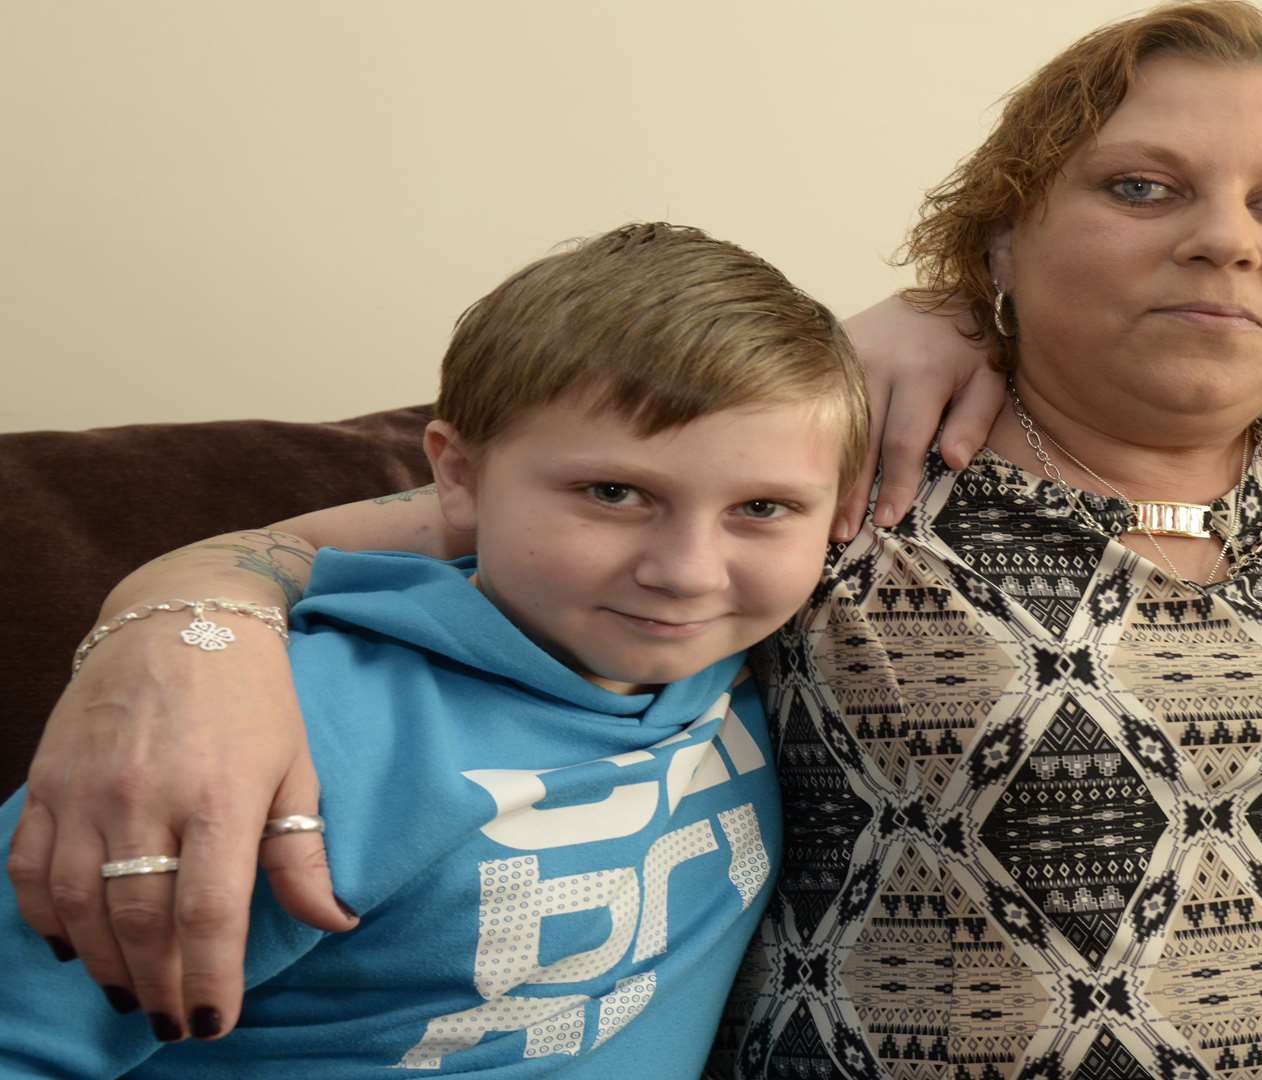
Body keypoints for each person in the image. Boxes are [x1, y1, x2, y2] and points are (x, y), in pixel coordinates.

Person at [11, 4, 1262, 1077]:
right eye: (1143, 186)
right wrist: (185, 606)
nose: (1225, 240)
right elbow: (475, 512)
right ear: (997, 240)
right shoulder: (843, 453)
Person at [0, 221, 869, 1074]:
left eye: (761, 509)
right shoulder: (267, 734)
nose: (686, 573)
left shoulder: (755, 654)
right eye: (613, 493)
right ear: (456, 476)